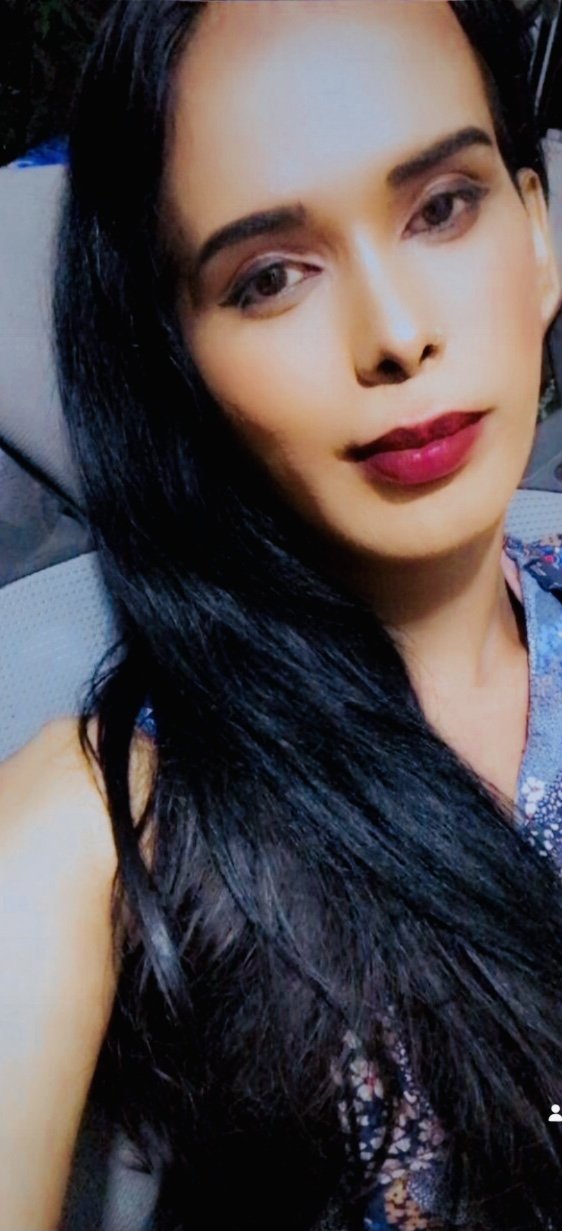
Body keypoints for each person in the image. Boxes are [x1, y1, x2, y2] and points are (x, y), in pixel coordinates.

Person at [2, 1, 562, 1227]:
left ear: (538, 234)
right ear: (173, 357)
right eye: (267, 278)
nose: (397, 335)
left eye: (442, 208)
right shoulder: (105, 821)